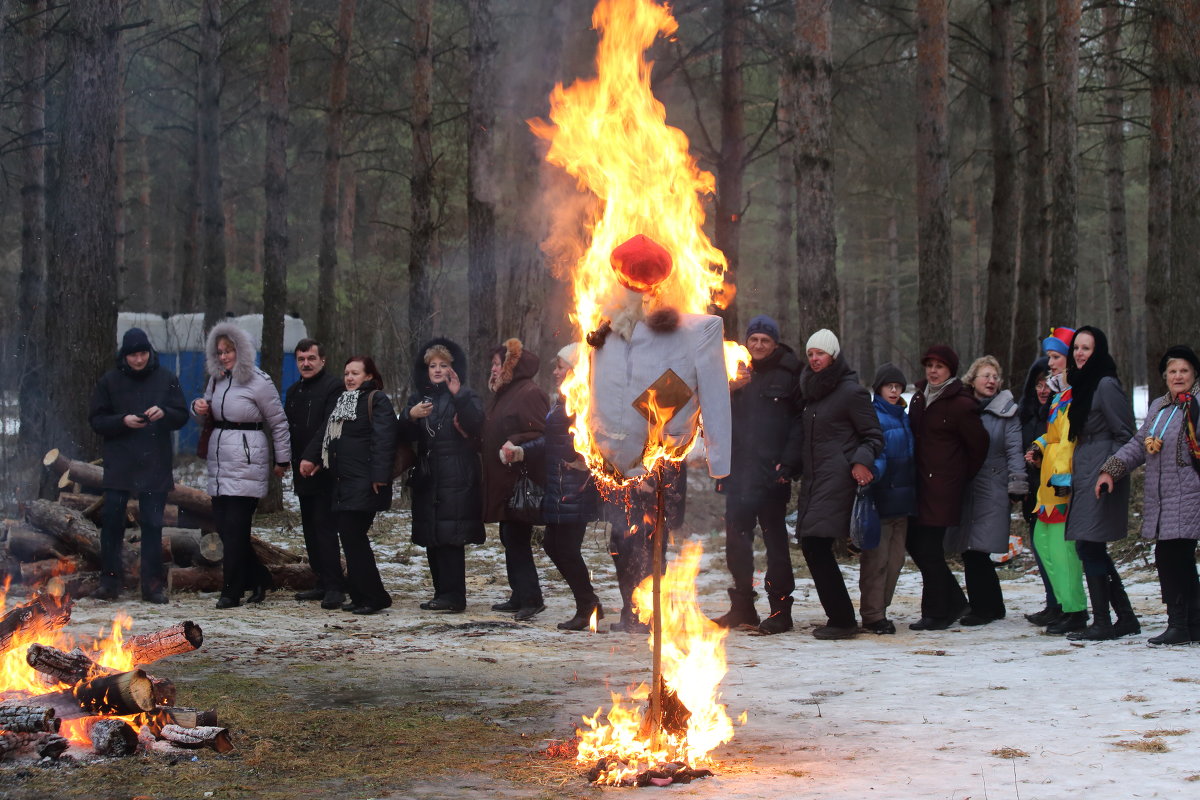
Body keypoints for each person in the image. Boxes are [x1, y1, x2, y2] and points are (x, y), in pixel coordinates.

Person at [1097, 345, 1200, 645]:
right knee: (1176, 558)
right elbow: (1138, 443)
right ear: (1164, 376)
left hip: (1189, 493)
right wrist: (1110, 470)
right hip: (1162, 497)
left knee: (1171, 556)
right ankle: (1192, 623)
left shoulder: (1197, 405)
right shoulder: (1159, 407)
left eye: (1184, 370)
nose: (1178, 376)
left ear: (1194, 374)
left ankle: (1179, 624)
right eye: (1172, 371)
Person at [710, 315, 803, 634]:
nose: (759, 345)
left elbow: (799, 424)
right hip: (737, 473)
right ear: (747, 342)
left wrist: (788, 465)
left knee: (775, 542)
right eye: (754, 339)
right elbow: (715, 417)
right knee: (736, 541)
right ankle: (742, 608)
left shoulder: (790, 373)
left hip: (772, 474)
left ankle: (780, 610)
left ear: (775, 344)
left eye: (765, 340)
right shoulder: (734, 370)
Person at [191, 322, 291, 609]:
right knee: (225, 529)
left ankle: (231, 591)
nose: (223, 357)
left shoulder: (259, 381)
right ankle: (259, 577)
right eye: (219, 352)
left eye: (229, 351)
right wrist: (198, 407)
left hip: (248, 460)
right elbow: (206, 415)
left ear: (241, 351)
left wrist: (282, 459)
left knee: (236, 529)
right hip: (220, 463)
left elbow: (278, 422)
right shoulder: (217, 380)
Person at [88, 327, 189, 603]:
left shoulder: (166, 378)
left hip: (154, 463)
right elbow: (96, 420)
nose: (139, 359)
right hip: (120, 463)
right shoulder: (110, 381)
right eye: (133, 355)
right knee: (111, 523)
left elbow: (181, 415)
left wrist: (164, 413)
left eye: (143, 353)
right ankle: (109, 582)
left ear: (149, 352)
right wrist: (122, 421)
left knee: (153, 526)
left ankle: (152, 585)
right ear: (125, 355)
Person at [507, 343, 603, 630]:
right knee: (556, 545)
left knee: (564, 547)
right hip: (559, 484)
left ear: (575, 369)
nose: (555, 371)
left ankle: (588, 606)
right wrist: (523, 451)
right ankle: (588, 603)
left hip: (575, 487)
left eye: (561, 366)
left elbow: (599, 435)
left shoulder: (585, 398)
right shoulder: (565, 399)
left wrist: (585, 461)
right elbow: (553, 441)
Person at [794, 329, 883, 640]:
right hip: (815, 480)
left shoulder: (850, 392)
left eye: (821, 353)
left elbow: (873, 436)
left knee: (815, 544)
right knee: (813, 545)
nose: (815, 359)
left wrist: (860, 461)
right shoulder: (812, 392)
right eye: (811, 354)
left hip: (839, 479)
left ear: (833, 355)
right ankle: (841, 616)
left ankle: (842, 619)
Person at [1056, 326, 1138, 641]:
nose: (1079, 353)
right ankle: (1125, 618)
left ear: (1098, 352)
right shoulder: (1083, 384)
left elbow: (1126, 435)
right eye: (1076, 347)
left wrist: (1111, 471)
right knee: (1089, 546)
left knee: (1089, 545)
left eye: (1086, 348)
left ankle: (1103, 621)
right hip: (1085, 467)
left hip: (1103, 473)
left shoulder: (1105, 384)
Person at [300, 356, 398, 615]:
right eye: (346, 373)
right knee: (350, 538)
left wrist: (380, 476)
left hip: (366, 482)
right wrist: (310, 458)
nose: (350, 378)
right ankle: (360, 595)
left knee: (354, 537)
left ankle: (375, 596)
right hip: (343, 482)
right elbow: (325, 432)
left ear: (368, 376)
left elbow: (385, 440)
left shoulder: (377, 400)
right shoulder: (342, 402)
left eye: (355, 373)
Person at [400, 338, 485, 613]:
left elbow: (477, 425)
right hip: (428, 476)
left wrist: (458, 395)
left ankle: (454, 596)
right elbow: (402, 436)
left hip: (456, 474)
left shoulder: (465, 394)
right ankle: (441, 593)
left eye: (443, 365)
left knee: (451, 536)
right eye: (432, 366)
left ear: (453, 368)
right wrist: (409, 416)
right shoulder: (418, 399)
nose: (437, 370)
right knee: (432, 536)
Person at [907, 344, 988, 631]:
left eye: (939, 366)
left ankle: (938, 611)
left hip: (943, 490)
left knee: (928, 548)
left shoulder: (961, 404)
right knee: (916, 544)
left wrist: (958, 476)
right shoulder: (919, 399)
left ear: (950, 370)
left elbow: (978, 445)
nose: (933, 371)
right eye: (929, 365)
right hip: (918, 486)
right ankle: (952, 602)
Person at [944, 356, 1027, 626]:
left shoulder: (1007, 412)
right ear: (973, 380)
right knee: (969, 549)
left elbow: (1015, 450)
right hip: (966, 487)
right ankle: (992, 605)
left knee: (977, 549)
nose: (991, 381)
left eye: (995, 377)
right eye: (986, 376)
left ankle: (984, 608)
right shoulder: (963, 408)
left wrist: (1017, 484)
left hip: (993, 487)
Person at [1026, 327, 1089, 633]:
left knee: (1064, 552)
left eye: (1055, 357)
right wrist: (1038, 446)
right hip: (1047, 484)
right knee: (1044, 544)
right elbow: (1053, 436)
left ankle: (1075, 610)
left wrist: (1066, 475)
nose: (1049, 363)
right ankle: (1063, 606)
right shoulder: (1059, 395)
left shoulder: (1077, 395)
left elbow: (1072, 440)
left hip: (1063, 483)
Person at [483, 338, 551, 621]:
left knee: (516, 538)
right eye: (492, 365)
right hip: (502, 480)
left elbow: (543, 435)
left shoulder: (528, 393)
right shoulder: (506, 393)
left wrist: (516, 443)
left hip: (519, 480)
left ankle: (532, 598)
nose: (493, 370)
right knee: (508, 537)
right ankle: (519, 594)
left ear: (511, 365)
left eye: (498, 364)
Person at [284, 338, 346, 610]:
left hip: (324, 470)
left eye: (311, 358)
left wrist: (314, 458)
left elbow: (330, 426)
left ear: (322, 360)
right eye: (301, 359)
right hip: (301, 470)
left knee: (324, 528)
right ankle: (320, 580)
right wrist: (284, 459)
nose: (306, 363)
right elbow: (287, 427)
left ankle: (335, 586)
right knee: (309, 528)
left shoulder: (334, 387)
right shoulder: (293, 390)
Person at [859, 363, 916, 635]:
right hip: (880, 500)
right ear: (879, 389)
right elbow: (875, 454)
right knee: (876, 562)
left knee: (895, 562)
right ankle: (872, 614)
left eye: (898, 387)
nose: (894, 391)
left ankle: (880, 608)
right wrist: (873, 475)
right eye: (888, 386)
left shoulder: (904, 416)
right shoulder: (874, 416)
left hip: (903, 501)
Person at [1018, 356, 1059, 625]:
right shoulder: (1025, 413)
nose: (1043, 390)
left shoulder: (1060, 413)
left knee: (1056, 552)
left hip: (1056, 492)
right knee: (1040, 550)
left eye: (1048, 384)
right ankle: (1051, 602)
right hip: (1032, 494)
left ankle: (1062, 603)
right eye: (1038, 384)